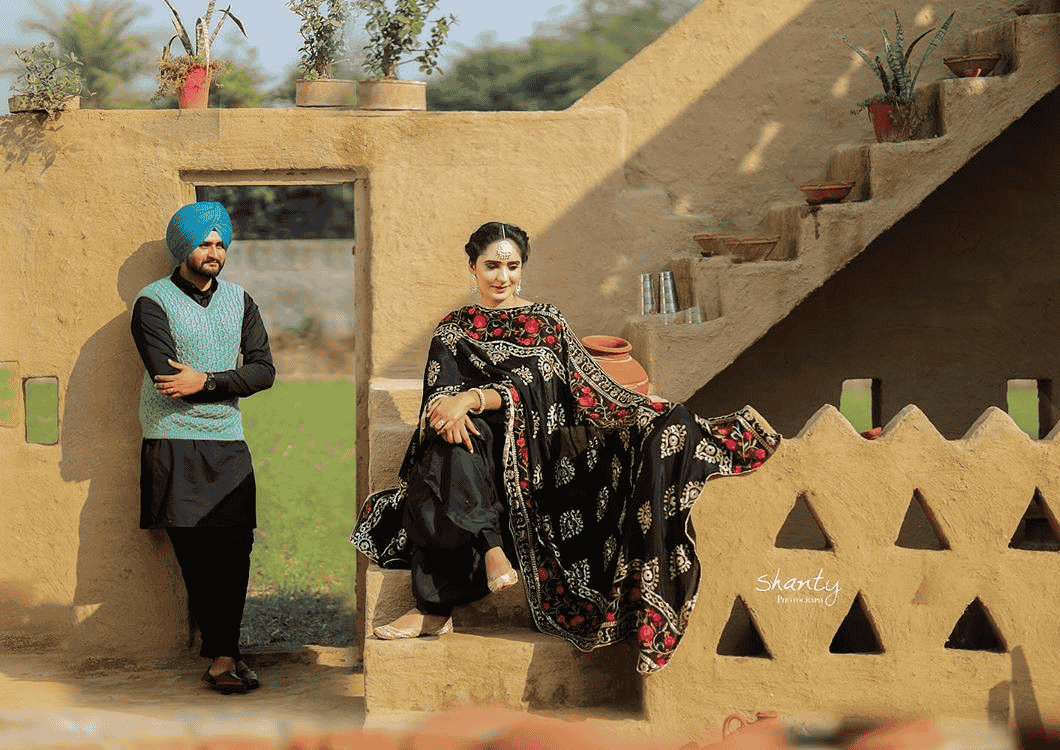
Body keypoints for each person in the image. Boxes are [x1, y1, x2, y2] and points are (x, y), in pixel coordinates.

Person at [351, 221, 780, 673]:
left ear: (522, 269)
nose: (502, 277)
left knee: (458, 446)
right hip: (471, 453)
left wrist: (473, 398)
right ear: (472, 267)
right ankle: (486, 550)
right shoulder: (453, 329)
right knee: (448, 447)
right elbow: (436, 396)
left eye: (512, 266)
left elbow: (565, 385)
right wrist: (452, 410)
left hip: (535, 458)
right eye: (491, 265)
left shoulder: (546, 322)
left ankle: (440, 602)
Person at [130, 201, 275, 694]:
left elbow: (264, 371)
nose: (214, 252)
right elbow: (167, 378)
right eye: (204, 243)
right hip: (172, 443)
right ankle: (222, 656)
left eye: (221, 244)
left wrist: (208, 381)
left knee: (235, 551)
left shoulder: (241, 300)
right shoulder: (152, 302)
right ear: (182, 247)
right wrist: (215, 381)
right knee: (196, 557)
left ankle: (225, 655)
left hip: (227, 442)